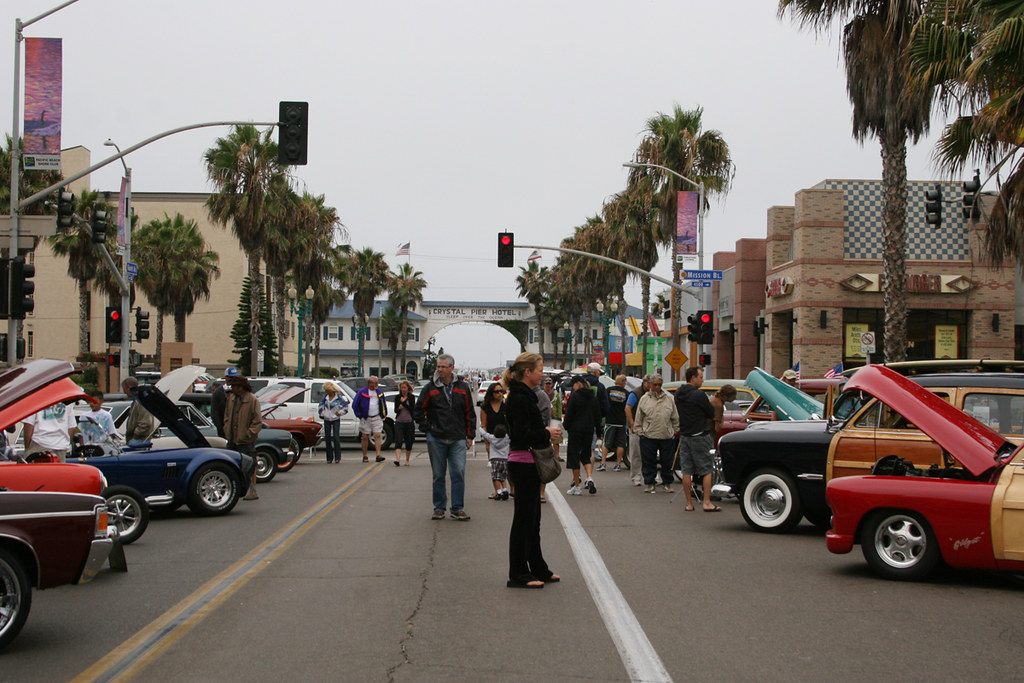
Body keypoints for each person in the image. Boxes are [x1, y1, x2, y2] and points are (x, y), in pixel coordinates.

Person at [503, 352, 561, 589]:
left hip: (530, 462)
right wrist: (547, 432)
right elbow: (521, 433)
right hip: (523, 461)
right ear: (527, 372)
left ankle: (537, 567)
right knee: (523, 520)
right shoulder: (518, 397)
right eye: (539, 369)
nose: (542, 373)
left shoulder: (526, 395)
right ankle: (518, 572)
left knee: (533, 519)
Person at [415, 354, 476, 521]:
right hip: (436, 438)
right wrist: (428, 428)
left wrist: (470, 435)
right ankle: (439, 507)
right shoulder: (430, 388)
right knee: (438, 475)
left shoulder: (462, 387)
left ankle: (457, 508)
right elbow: (418, 410)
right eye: (438, 367)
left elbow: (469, 412)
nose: (439, 369)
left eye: (443, 367)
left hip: (457, 438)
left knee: (458, 472)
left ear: (451, 368)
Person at [674, 366, 718, 511]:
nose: (702, 379)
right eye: (700, 377)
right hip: (700, 434)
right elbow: (710, 412)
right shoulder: (699, 395)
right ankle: (706, 502)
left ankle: (689, 503)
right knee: (706, 469)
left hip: (685, 434)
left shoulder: (678, 394)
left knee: (686, 470)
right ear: (693, 378)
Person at [634, 375, 679, 493]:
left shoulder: (669, 398)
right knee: (648, 461)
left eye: (659, 385)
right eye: (655, 385)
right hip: (648, 436)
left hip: (666, 436)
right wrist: (639, 431)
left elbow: (675, 417)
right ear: (650, 385)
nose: (657, 387)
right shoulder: (644, 399)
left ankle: (667, 483)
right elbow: (639, 417)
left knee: (667, 461)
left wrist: (674, 430)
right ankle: (650, 483)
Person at [224, 374, 262, 501]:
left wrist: (249, 433)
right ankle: (232, 490)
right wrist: (226, 429)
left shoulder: (252, 400)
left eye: (234, 386)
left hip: (246, 440)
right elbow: (227, 416)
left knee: (249, 466)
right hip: (232, 439)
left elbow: (257, 421)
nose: (232, 389)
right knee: (231, 465)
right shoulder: (232, 399)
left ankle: (252, 490)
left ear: (241, 387)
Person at [563, 375, 600, 495]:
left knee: (574, 457)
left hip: (575, 430)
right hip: (589, 430)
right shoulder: (592, 397)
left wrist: (566, 426)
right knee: (586, 455)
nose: (572, 388)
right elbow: (597, 416)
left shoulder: (575, 397)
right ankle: (589, 477)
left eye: (573, 385)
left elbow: (569, 414)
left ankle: (577, 486)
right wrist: (598, 431)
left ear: (578, 384)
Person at [625, 375, 653, 485]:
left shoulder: (654, 393)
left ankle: (652, 475)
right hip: (637, 426)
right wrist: (632, 424)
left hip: (650, 427)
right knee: (636, 453)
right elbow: (628, 408)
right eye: (651, 383)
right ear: (645, 383)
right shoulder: (635, 393)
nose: (653, 386)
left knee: (650, 453)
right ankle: (636, 477)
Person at [353, 376, 388, 463]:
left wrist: (383, 414)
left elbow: (383, 403)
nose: (377, 384)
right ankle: (365, 456)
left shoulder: (379, 392)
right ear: (370, 383)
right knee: (365, 437)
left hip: (376, 417)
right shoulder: (362, 392)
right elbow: (355, 404)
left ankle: (378, 455)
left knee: (377, 435)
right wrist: (359, 415)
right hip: (366, 417)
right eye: (375, 383)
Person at [600, 374, 630, 472]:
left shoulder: (608, 390)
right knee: (621, 444)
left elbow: (604, 403)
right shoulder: (626, 393)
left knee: (606, 443)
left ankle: (603, 463)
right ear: (624, 382)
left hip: (610, 421)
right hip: (621, 422)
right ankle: (618, 464)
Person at [318, 381, 349, 463]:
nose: (326, 392)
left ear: (331, 390)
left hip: (335, 419)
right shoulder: (325, 397)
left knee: (336, 437)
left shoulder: (339, 398)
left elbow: (346, 407)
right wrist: (322, 413)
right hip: (327, 419)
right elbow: (320, 406)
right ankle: (329, 458)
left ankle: (337, 457)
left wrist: (340, 413)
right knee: (327, 438)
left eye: (327, 390)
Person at [122, 376, 156, 444]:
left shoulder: (141, 401)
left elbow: (145, 423)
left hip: (139, 440)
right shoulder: (137, 401)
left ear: (129, 388)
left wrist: (135, 436)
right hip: (138, 439)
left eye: (124, 389)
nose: (124, 392)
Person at [481, 423, 510, 500]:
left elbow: (484, 434)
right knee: (503, 477)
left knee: (496, 477)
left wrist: (481, 427)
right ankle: (505, 490)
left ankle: (499, 492)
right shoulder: (507, 438)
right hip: (505, 459)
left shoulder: (492, 438)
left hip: (495, 459)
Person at [210, 367, 240, 438]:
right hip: (224, 430)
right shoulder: (218, 392)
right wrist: (221, 429)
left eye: (234, 377)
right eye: (230, 377)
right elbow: (215, 413)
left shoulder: (240, 391)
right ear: (226, 377)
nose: (233, 380)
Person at [479, 382, 507, 458]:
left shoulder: (506, 405)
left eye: (501, 391)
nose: (500, 393)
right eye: (497, 392)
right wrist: (487, 443)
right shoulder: (485, 407)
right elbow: (483, 425)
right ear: (491, 393)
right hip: (491, 438)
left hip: (505, 440)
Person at [393, 380, 416, 466]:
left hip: (409, 422)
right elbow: (396, 410)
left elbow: (412, 409)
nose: (403, 389)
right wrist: (399, 406)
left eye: (404, 388)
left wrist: (404, 402)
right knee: (398, 440)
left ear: (408, 388)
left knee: (409, 441)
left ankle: (407, 460)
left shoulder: (411, 397)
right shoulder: (397, 397)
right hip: (399, 422)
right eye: (402, 388)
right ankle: (398, 460)